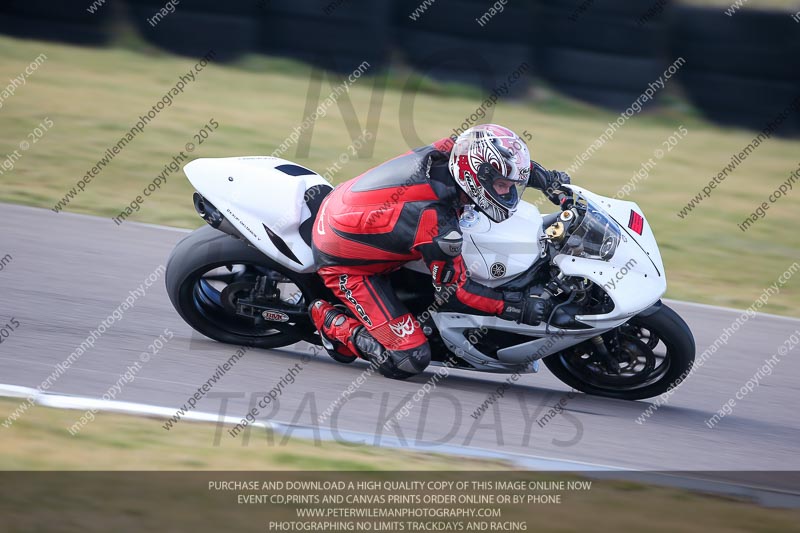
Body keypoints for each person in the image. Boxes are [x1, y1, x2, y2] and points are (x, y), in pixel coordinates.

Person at [309, 124, 571, 378]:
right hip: (346, 264)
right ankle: (332, 322)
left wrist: (548, 181)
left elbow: (496, 160)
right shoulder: (437, 224)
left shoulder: (454, 150)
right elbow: (455, 294)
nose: (508, 191)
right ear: (476, 178)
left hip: (351, 207)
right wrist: (516, 307)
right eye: (502, 185)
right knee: (408, 360)